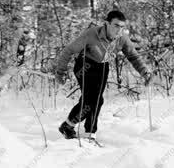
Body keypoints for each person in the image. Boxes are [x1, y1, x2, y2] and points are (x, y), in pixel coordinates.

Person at [55, 10, 151, 140]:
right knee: (91, 100)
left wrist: (145, 72)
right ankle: (72, 126)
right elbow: (69, 50)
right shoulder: (92, 34)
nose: (119, 30)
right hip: (85, 64)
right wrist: (60, 71)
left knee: (97, 100)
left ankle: (87, 132)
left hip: (103, 66)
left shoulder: (122, 38)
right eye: (116, 25)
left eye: (122, 27)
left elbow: (133, 56)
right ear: (107, 23)